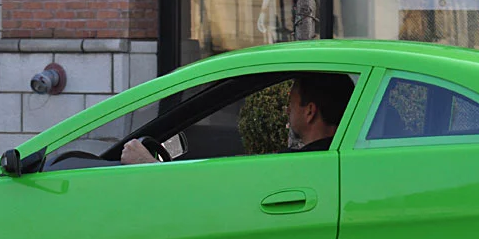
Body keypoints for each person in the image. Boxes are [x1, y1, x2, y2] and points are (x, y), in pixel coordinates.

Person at [120, 72, 355, 164]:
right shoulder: (339, 159)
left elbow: (216, 200)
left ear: (310, 111)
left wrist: (149, 167)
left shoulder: (295, 166)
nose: (286, 111)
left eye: (290, 104)